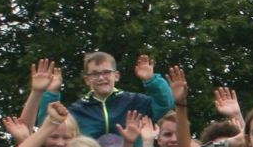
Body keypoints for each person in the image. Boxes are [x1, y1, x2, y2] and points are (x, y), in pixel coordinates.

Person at [27, 53, 173, 141]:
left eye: (106, 72)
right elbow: (47, 125)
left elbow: (165, 103)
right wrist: (51, 93)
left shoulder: (134, 102)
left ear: (116, 76)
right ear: (87, 80)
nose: (101, 77)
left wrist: (151, 80)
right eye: (95, 74)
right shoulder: (77, 110)